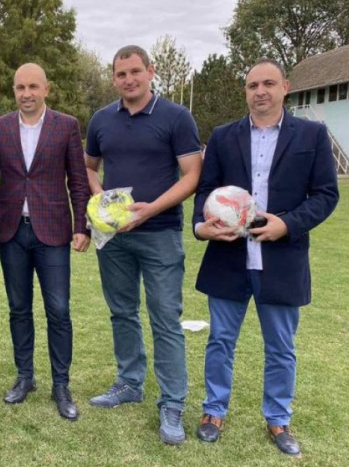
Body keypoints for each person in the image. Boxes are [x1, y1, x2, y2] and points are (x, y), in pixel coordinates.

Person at [192, 58, 339, 456]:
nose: (260, 91)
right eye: (253, 85)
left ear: (285, 87)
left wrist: (286, 225)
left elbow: (326, 195)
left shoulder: (311, 135)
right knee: (220, 341)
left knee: (280, 347)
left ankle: (278, 419)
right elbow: (205, 190)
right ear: (245, 91)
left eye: (268, 83)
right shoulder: (223, 136)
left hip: (282, 260)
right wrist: (201, 226)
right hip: (228, 259)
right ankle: (213, 411)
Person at [84, 45, 202, 445]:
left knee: (165, 318)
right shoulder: (101, 119)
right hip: (115, 237)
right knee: (122, 312)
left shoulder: (176, 117)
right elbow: (88, 166)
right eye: (121, 74)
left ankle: (173, 403)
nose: (129, 79)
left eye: (136, 71)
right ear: (113, 78)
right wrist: (102, 201)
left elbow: (192, 175)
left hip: (160, 233)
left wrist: (150, 210)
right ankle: (129, 382)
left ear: (150, 72)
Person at [0, 63, 90, 421]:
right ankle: (25, 377)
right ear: (14, 90)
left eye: (32, 87)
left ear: (46, 89)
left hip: (53, 232)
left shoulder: (66, 126)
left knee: (58, 310)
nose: (26, 93)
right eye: (19, 87)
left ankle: (61, 385)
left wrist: (82, 226)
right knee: (18, 307)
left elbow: (78, 180)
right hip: (11, 231)